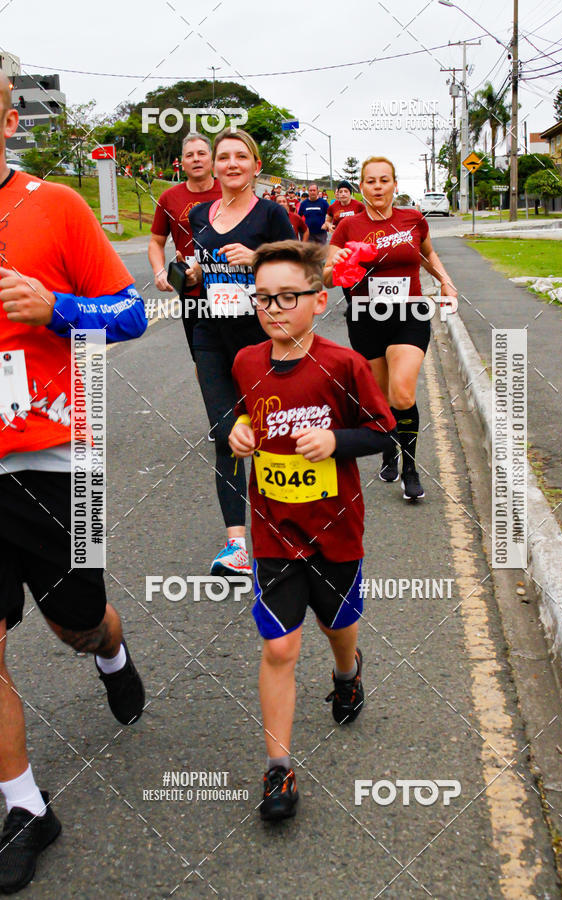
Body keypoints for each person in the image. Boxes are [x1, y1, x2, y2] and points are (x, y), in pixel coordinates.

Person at [0, 74, 147, 893]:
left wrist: (54, 307)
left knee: (75, 622)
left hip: (61, 456)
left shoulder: (54, 205)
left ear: (8, 120)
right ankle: (25, 806)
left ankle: (111, 646)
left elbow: (130, 312)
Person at [229, 240, 397, 821]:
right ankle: (279, 769)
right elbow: (250, 411)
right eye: (263, 298)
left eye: (287, 297)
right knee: (279, 646)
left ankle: (347, 673)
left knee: (337, 627)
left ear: (319, 299)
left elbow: (383, 431)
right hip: (274, 531)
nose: (273, 308)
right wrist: (241, 433)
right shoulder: (246, 361)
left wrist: (335, 440)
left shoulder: (343, 365)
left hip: (335, 531)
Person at [182, 128, 295, 576]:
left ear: (255, 165)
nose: (231, 163)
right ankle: (236, 546)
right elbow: (199, 266)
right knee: (227, 434)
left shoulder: (270, 213)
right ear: (214, 166)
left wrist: (258, 257)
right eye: (223, 156)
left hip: (262, 339)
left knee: (270, 436)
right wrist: (188, 272)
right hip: (210, 335)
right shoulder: (199, 215)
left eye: (240, 157)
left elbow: (298, 263)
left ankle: (284, 532)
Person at [324, 156, 457, 499]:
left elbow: (426, 255)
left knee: (402, 393)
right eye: (371, 181)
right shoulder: (347, 226)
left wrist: (445, 281)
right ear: (362, 187)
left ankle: (410, 468)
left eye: (384, 180)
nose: (378, 187)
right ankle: (389, 450)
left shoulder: (412, 219)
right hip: (366, 317)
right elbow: (326, 276)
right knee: (382, 398)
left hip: (409, 314)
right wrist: (339, 263)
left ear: (395, 185)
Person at [148, 132, 221, 357]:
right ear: (182, 162)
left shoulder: (231, 190)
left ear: (212, 158)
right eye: (190, 155)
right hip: (192, 292)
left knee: (240, 357)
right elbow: (156, 242)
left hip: (231, 286)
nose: (196, 159)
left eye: (201, 153)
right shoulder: (169, 197)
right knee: (203, 358)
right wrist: (160, 271)